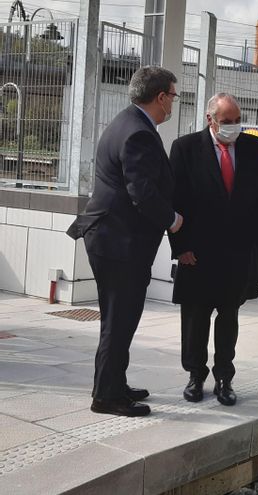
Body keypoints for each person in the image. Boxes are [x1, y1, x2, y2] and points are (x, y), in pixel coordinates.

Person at [66, 66, 182, 417]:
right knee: (119, 319)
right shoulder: (138, 133)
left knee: (119, 318)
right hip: (118, 242)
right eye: (174, 96)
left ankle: (114, 382)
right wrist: (173, 220)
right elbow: (142, 192)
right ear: (160, 97)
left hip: (111, 238)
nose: (174, 103)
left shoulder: (126, 122)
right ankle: (106, 397)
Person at [168, 93, 258, 406]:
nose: (233, 127)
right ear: (210, 119)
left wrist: (254, 240)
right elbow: (174, 201)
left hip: (237, 254)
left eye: (237, 121)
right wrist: (181, 247)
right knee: (195, 319)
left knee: (229, 319)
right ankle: (195, 375)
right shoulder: (185, 149)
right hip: (197, 255)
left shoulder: (253, 148)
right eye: (227, 122)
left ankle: (224, 378)